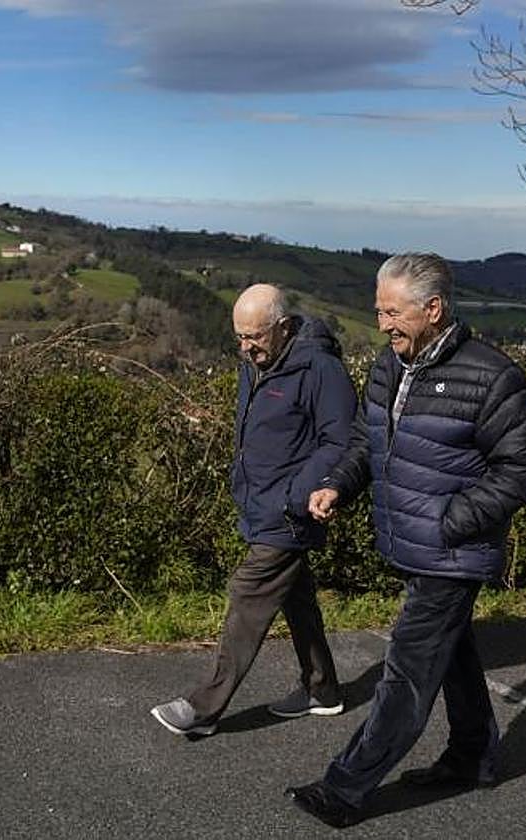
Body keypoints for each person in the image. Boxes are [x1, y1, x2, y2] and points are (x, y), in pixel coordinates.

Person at [286, 253, 526, 828]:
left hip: (452, 552)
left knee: (406, 671)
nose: (382, 324)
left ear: (433, 309)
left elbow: (525, 467)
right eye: (379, 311)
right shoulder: (389, 365)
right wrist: (337, 485)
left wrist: (451, 520)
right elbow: (367, 441)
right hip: (417, 544)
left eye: (392, 312)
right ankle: (472, 757)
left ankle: (345, 789)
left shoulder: (492, 375)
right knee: (452, 653)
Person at [150, 284, 357, 736]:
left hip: (290, 510)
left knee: (248, 593)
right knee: (297, 600)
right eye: (239, 338)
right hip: (261, 502)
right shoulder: (258, 362)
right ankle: (322, 689)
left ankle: (203, 709)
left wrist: (295, 495)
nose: (245, 348)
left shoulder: (320, 369)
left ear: (283, 327)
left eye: (254, 337)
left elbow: (340, 441)